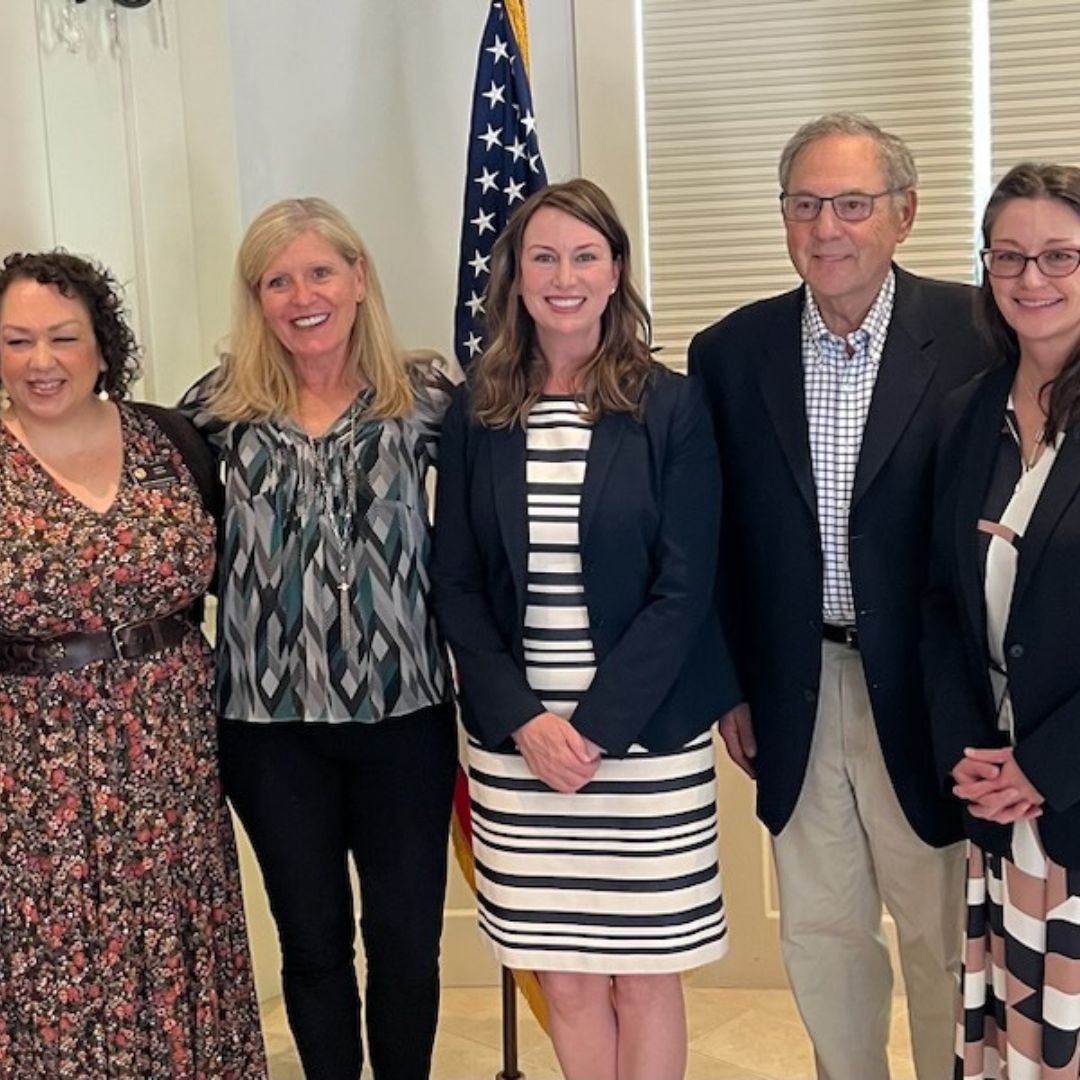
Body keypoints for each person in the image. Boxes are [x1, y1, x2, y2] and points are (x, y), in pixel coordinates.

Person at [689, 112, 988, 1080]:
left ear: (904, 213)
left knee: (942, 931)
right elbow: (718, 538)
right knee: (823, 933)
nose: (829, 227)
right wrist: (730, 683)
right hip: (795, 684)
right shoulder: (731, 353)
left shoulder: (979, 331)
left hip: (936, 693)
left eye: (853, 204)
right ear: (783, 218)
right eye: (806, 203)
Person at [431, 178, 739, 1080]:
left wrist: (593, 730)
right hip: (517, 745)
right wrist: (527, 722)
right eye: (543, 257)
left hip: (640, 744)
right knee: (563, 979)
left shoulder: (670, 406)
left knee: (644, 978)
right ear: (515, 278)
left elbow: (686, 587)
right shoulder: (476, 409)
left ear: (616, 273)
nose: (564, 276)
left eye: (584, 255)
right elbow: (455, 583)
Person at [180, 196, 458, 1080]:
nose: (302, 295)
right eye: (277, 280)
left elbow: (504, 523)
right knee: (312, 946)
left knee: (407, 946)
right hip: (268, 731)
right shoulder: (217, 411)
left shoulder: (425, 398)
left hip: (405, 719)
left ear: (358, 276)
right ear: (256, 297)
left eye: (320, 272)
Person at [0, 250, 266, 1078]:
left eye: (63, 338)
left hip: (171, 751)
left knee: (177, 940)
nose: (41, 362)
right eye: (16, 341)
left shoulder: (171, 440)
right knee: (55, 960)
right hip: (31, 766)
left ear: (103, 348)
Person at [924, 162, 1080, 1079]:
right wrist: (975, 757)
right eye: (1009, 256)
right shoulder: (967, 413)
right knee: (1013, 1050)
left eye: (1060, 255)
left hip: (1066, 797)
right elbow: (940, 601)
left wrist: (1043, 769)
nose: (1032, 278)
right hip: (999, 805)